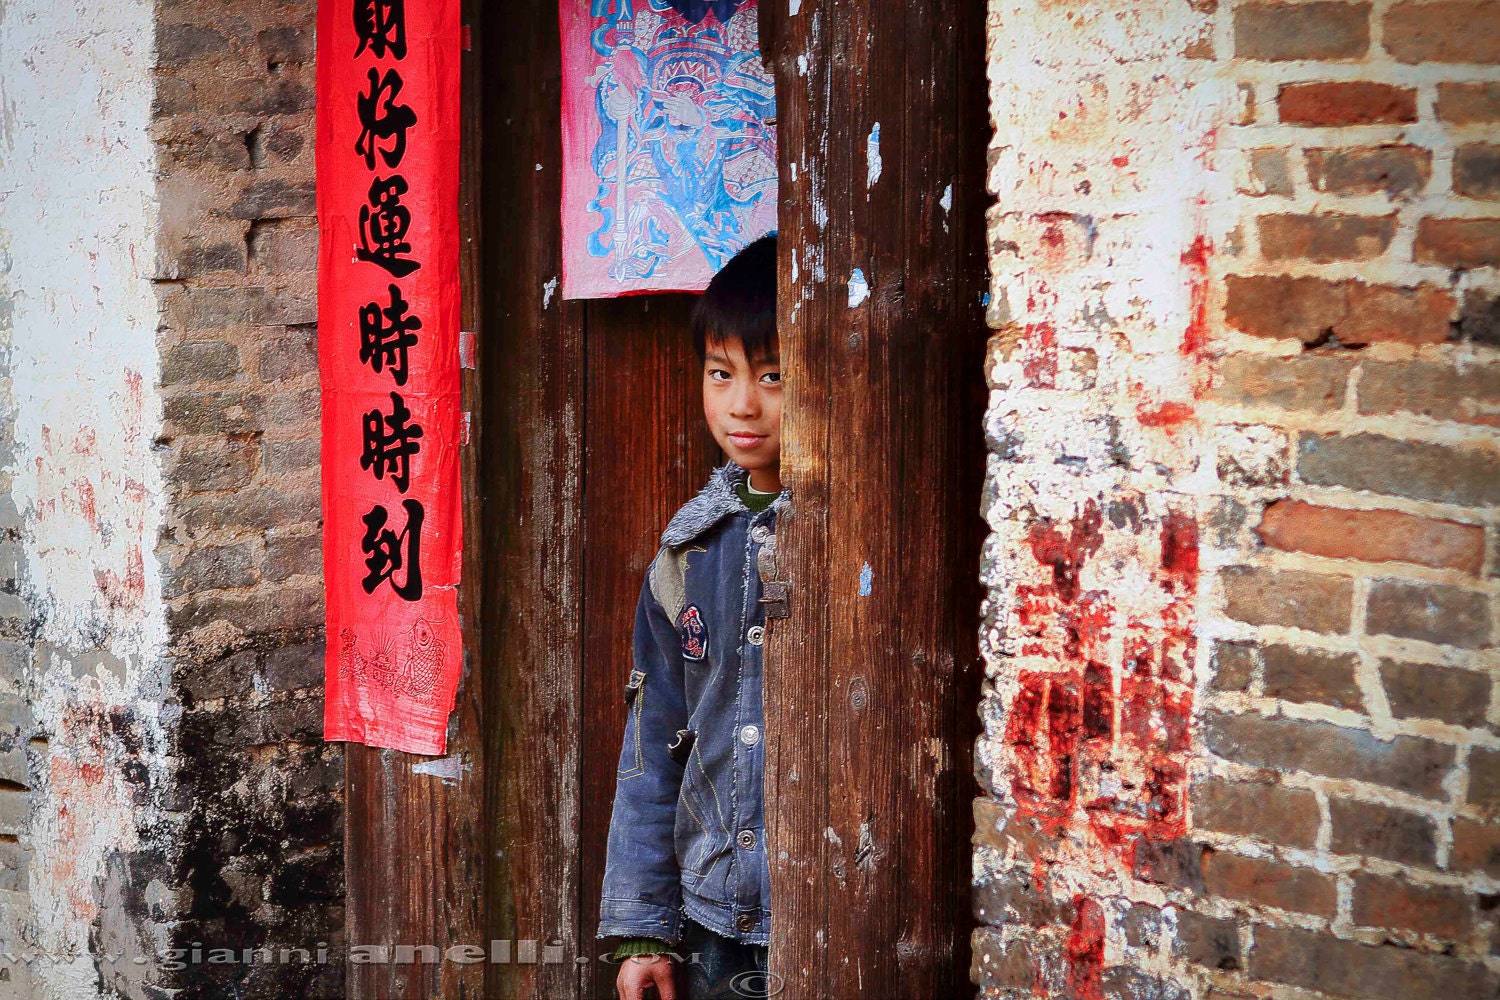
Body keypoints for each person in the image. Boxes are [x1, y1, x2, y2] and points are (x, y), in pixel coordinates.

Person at [596, 234, 783, 1000]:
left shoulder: (871, 540)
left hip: (842, 902)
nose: (742, 405)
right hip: (714, 921)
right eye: (721, 374)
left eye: (774, 377)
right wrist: (645, 927)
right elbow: (651, 741)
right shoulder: (688, 551)